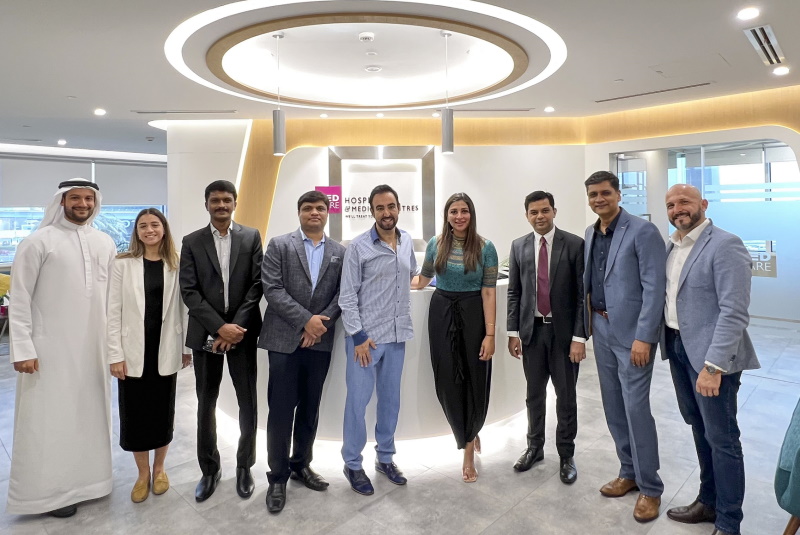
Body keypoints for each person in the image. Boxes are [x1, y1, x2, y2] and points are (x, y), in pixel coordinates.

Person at [7, 178, 117, 518]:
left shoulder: (105, 242)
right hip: (48, 350)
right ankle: (47, 494)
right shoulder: (38, 242)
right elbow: (19, 298)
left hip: (93, 349)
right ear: (62, 201)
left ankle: (92, 483)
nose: (82, 204)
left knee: (89, 414)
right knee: (49, 419)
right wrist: (23, 348)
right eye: (75, 198)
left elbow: (112, 300)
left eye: (88, 199)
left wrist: (115, 347)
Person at [660, 184, 759, 535]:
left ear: (703, 203)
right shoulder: (672, 246)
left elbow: (734, 312)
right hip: (677, 347)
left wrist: (714, 366)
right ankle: (708, 501)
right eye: (671, 204)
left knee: (723, 438)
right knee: (699, 428)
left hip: (711, 358)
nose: (677, 209)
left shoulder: (725, 244)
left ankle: (729, 522)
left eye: (684, 202)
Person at [583, 170, 666, 523]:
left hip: (633, 335)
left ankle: (650, 487)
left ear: (618, 194)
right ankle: (628, 471)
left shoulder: (643, 231)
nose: (599, 199)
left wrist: (644, 337)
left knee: (635, 408)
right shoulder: (591, 233)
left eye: (605, 192)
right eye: (593, 194)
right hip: (601, 326)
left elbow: (655, 288)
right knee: (613, 406)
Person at [259, 191, 346, 513]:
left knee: (310, 408)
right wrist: (306, 321)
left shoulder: (339, 251)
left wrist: (318, 326)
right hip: (284, 341)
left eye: (320, 208)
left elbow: (342, 294)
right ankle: (277, 476)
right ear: (299, 212)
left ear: (327, 213)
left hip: (319, 340)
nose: (314, 212)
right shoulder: (280, 245)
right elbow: (272, 289)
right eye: (308, 208)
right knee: (281, 411)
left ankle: (300, 464)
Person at [179, 179, 263, 502]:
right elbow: (189, 291)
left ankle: (244, 466)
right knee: (206, 403)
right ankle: (210, 469)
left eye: (227, 200)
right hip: (206, 333)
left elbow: (257, 285)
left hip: (242, 332)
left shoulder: (251, 237)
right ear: (207, 204)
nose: (221, 205)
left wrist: (234, 327)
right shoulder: (191, 241)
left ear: (235, 203)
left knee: (247, 402)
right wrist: (219, 328)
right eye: (215, 200)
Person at [107, 208, 192, 503]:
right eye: (143, 226)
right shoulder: (122, 264)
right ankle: (142, 474)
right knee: (135, 415)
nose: (149, 230)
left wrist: (185, 348)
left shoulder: (176, 262)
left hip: (165, 348)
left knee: (162, 413)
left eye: (154, 224)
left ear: (164, 228)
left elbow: (184, 308)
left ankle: (159, 469)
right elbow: (112, 312)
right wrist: (115, 355)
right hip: (132, 352)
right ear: (137, 232)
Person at [339, 184, 418, 495]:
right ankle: (352, 463)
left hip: (397, 337)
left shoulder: (406, 241)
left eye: (391, 206)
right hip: (366, 341)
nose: (387, 213)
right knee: (357, 404)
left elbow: (410, 275)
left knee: (390, 401)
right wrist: (358, 336)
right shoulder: (358, 247)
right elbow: (347, 296)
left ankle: (385, 458)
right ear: (371, 211)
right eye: (380, 208)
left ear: (399, 208)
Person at [413, 192, 497, 483]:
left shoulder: (486, 247)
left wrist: (490, 334)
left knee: (474, 378)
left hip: (474, 315)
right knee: (448, 380)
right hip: (441, 314)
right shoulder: (435, 244)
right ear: (446, 216)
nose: (459, 216)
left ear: (471, 214)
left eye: (464, 211)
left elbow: (489, 292)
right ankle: (467, 433)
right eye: (454, 212)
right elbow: (423, 279)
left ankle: (468, 448)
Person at [507, 191, 585, 484]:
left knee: (566, 397)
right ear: (526, 215)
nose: (540, 216)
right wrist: (513, 332)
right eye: (534, 212)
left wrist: (579, 337)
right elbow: (514, 292)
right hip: (532, 333)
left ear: (554, 211)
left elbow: (582, 296)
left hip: (564, 335)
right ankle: (534, 447)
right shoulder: (518, 246)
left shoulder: (574, 244)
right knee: (534, 395)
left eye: (545, 210)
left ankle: (566, 454)